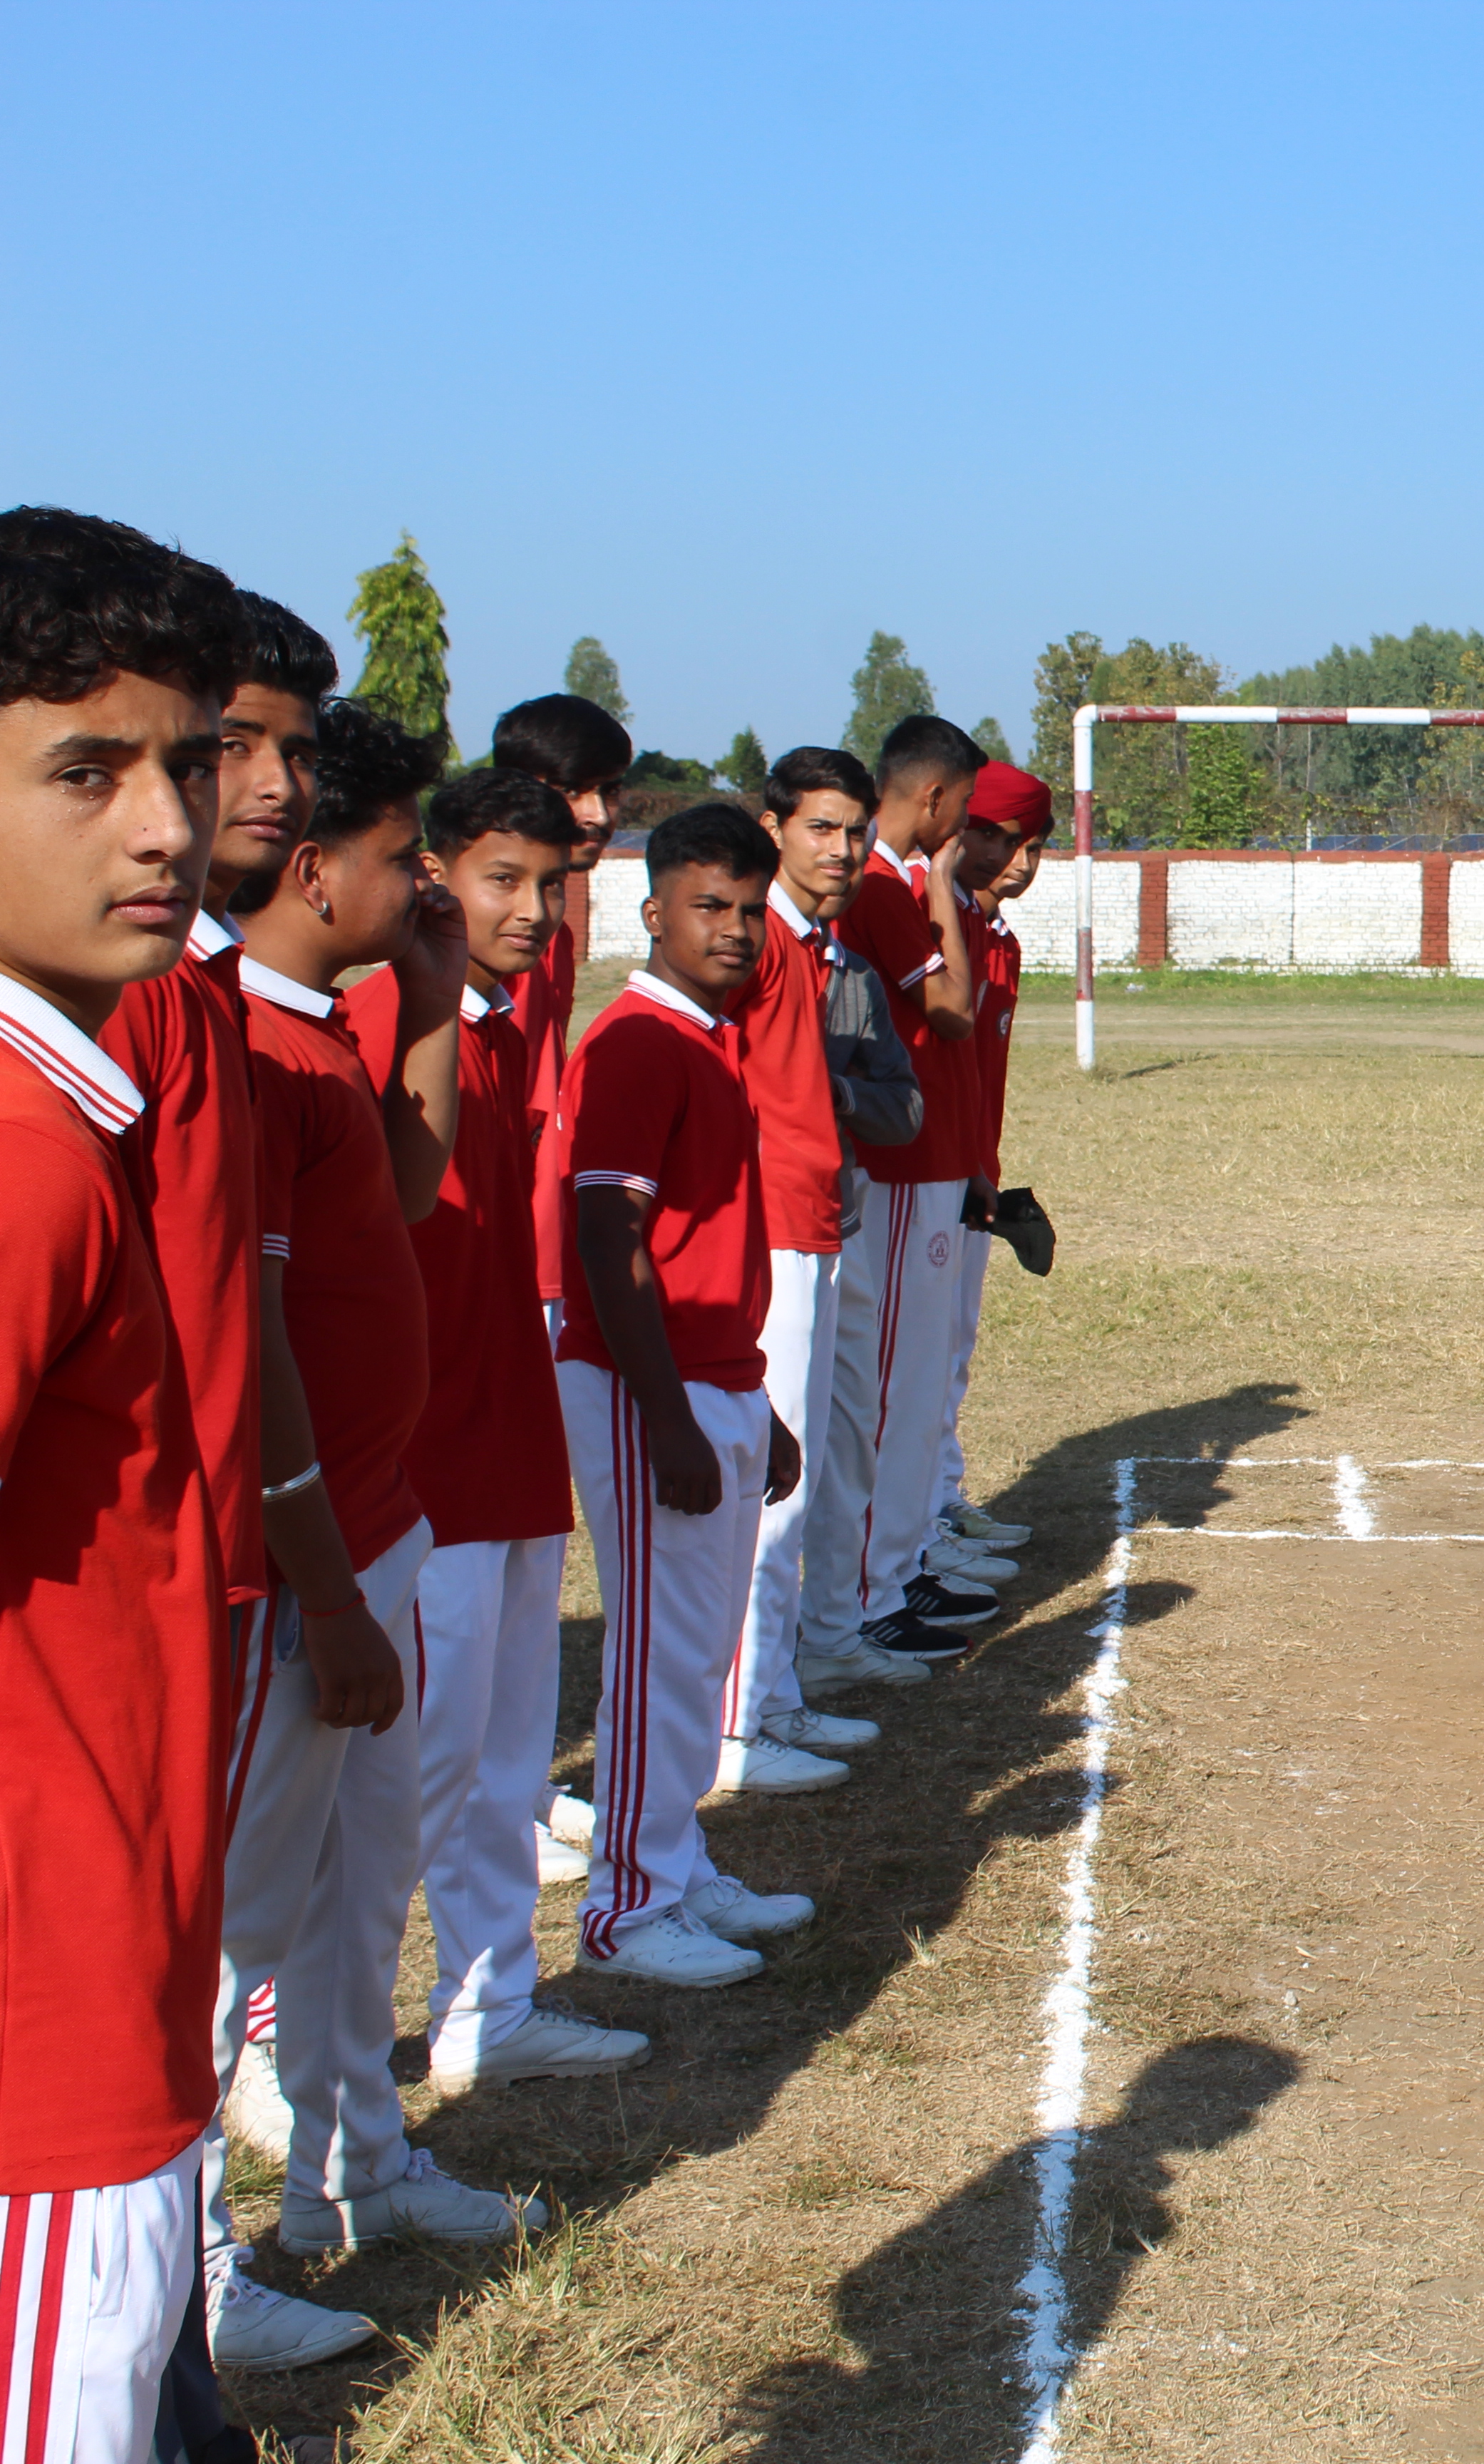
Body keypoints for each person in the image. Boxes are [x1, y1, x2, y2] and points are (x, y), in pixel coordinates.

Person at [82, 587, 377, 2376]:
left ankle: (178, 2310)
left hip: (218, 1583)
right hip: (144, 1604)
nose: (242, 792)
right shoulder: (98, 1022)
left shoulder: (198, 1005)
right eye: (219, 745)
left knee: (205, 1950)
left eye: (263, 753)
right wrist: (316, 1565)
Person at [230, 698, 550, 2260]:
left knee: (364, 1908)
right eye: (396, 857)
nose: (422, 884)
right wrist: (320, 1569)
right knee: (237, 1937)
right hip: (311, 1567)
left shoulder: (321, 1027)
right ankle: (191, 2295)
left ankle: (355, 2173)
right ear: (308, 870)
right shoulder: (233, 1038)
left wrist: (425, 995)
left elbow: (409, 1195)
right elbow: (253, 1327)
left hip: (374, 1538)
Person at [0, 508, 241, 2463]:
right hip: (42, 2042)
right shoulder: (19, 1151)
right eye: (85, 772)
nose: (165, 825)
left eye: (180, 763)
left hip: (108, 1998)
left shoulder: (69, 1116)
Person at [346, 767, 650, 2093]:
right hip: (429, 1465)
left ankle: (490, 2005)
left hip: (509, 1432)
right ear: (435, 878)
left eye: (551, 881)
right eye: (501, 880)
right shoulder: (381, 1016)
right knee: (404, 1783)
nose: (533, 910)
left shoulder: (501, 1023)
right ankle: (292, 2049)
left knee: (503, 1766)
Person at [562, 802, 809, 1987]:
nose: (736, 929)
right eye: (709, 906)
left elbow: (708, 1247)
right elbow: (605, 1236)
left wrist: (755, 1404)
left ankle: (675, 1861)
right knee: (656, 1654)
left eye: (752, 910)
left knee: (697, 1651)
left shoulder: (706, 1038)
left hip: (712, 1378)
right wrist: (664, 1412)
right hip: (641, 1385)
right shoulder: (634, 1042)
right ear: (650, 910)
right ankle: (624, 1905)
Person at [724, 747, 914, 1761]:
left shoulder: (836, 963)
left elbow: (896, 1098)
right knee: (772, 1470)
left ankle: (809, 1655)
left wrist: (839, 1109)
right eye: (821, 829)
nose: (843, 850)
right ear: (773, 829)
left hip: (826, 1223)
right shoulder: (751, 945)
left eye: (855, 830)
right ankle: (749, 1714)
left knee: (831, 1443)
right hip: (768, 1235)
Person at [813, 714, 998, 1664]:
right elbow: (952, 1012)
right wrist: (937, 887)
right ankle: (869, 1594)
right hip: (893, 1174)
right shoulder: (888, 890)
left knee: (908, 1382)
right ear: (933, 799)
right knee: (886, 1390)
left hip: (923, 1164)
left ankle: (894, 1570)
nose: (965, 827)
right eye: (963, 807)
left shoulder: (893, 887)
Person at [489, 692, 629, 1892]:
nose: (598, 814)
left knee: (539, 1546)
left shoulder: (556, 931)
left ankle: (523, 1785)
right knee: (490, 1557)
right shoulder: (460, 937)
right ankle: (495, 1800)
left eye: (606, 792)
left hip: (541, 1255)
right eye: (579, 789)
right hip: (496, 1263)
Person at [919, 761, 1048, 1593]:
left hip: (971, 1173)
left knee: (949, 1354)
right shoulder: (942, 930)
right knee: (917, 1361)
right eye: (998, 836)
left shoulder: (997, 937)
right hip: (928, 1174)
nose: (1020, 860)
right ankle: (916, 1525)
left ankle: (938, 1499)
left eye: (1034, 844)